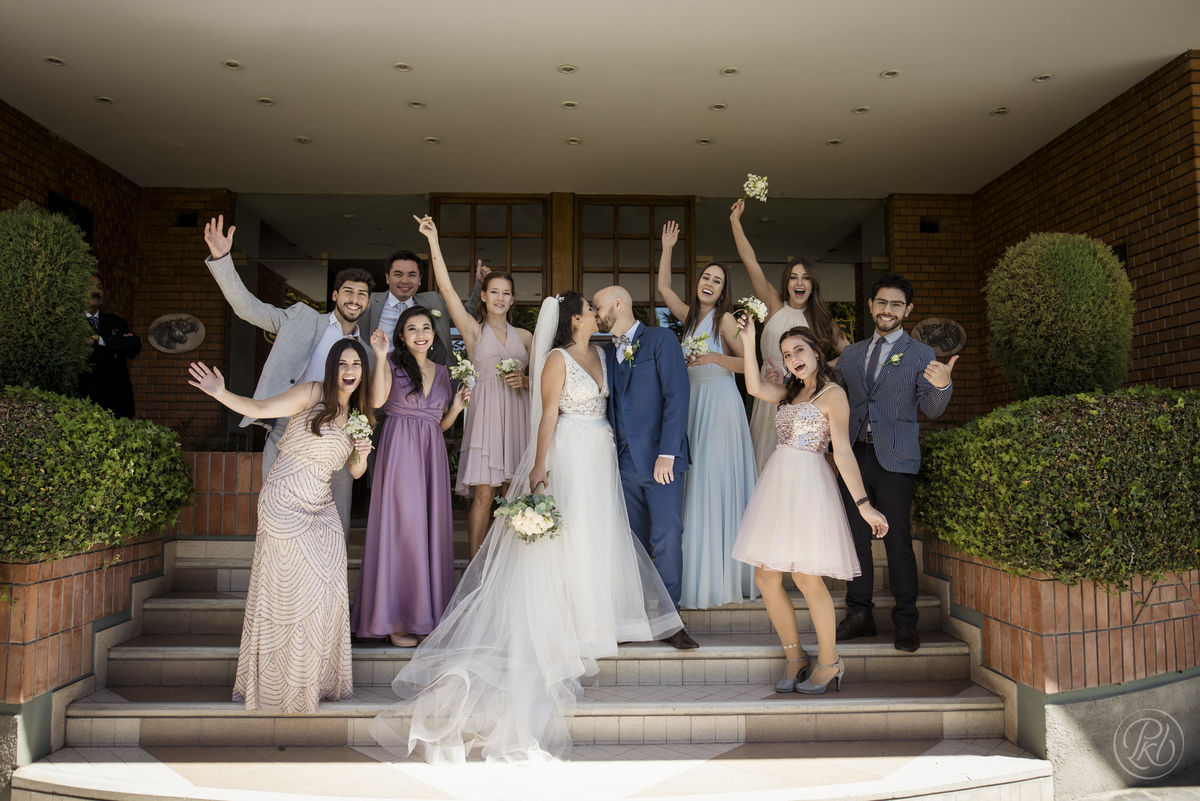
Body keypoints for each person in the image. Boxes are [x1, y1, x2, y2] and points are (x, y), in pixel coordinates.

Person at [370, 292, 681, 763]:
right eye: (592, 311)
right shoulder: (556, 358)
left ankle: (594, 616)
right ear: (575, 317)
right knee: (569, 536)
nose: (599, 315)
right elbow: (548, 413)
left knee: (598, 537)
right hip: (569, 453)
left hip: (600, 454)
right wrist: (539, 466)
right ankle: (566, 619)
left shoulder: (599, 353)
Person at [186, 335, 389, 712]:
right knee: (291, 593)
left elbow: (357, 473)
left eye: (356, 365)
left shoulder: (361, 416)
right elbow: (262, 407)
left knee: (327, 589)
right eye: (343, 364)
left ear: (364, 372)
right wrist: (220, 393)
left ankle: (314, 681)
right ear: (332, 368)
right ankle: (282, 684)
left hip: (322, 507)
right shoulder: (313, 394)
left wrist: (361, 453)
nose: (349, 371)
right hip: (285, 499)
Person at [731, 322, 889, 694]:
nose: (793, 358)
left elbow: (844, 452)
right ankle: (795, 655)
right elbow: (753, 387)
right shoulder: (789, 392)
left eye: (799, 350)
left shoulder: (833, 395)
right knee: (766, 577)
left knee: (805, 577)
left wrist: (863, 504)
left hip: (809, 486)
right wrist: (750, 341)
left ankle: (830, 662)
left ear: (817, 352)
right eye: (787, 354)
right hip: (778, 486)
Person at [203, 216, 373, 536]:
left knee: (335, 524)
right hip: (288, 425)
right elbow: (248, 309)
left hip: (339, 434)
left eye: (362, 294)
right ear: (335, 295)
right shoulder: (302, 319)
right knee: (277, 518)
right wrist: (223, 260)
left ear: (367, 302)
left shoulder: (366, 350)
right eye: (348, 291)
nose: (354, 298)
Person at [834, 273, 958, 653]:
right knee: (855, 541)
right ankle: (860, 615)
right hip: (854, 455)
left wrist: (943, 385)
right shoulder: (851, 355)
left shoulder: (922, 355)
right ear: (871, 306)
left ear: (908, 310)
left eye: (896, 304)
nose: (888, 310)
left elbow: (932, 410)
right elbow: (830, 395)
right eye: (882, 303)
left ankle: (906, 621)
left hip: (896, 459)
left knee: (898, 542)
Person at [351, 305, 470, 647]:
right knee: (402, 527)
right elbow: (376, 400)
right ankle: (394, 619)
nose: (421, 334)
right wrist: (377, 355)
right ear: (402, 335)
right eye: (412, 328)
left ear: (433, 335)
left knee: (428, 529)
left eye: (426, 328)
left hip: (430, 453)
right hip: (400, 448)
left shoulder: (445, 372)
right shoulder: (390, 362)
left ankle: (424, 616)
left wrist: (458, 408)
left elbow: (439, 423)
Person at [415, 216, 533, 558]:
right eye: (493, 291)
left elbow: (546, 381)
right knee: (484, 494)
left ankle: (510, 566)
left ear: (513, 300)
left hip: (517, 416)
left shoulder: (526, 337)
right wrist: (433, 240)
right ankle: (476, 568)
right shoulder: (473, 331)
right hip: (485, 419)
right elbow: (447, 289)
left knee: (513, 493)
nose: (500, 297)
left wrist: (525, 380)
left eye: (506, 293)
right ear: (483, 296)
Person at [655, 222, 758, 609]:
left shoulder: (725, 320)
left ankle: (722, 575)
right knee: (693, 485)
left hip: (720, 405)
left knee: (714, 481)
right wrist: (668, 248)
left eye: (716, 280)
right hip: (691, 405)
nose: (709, 283)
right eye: (705, 277)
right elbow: (665, 289)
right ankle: (695, 570)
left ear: (723, 289)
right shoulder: (687, 317)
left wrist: (715, 357)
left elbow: (749, 364)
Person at [592, 286, 697, 650]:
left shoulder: (660, 339)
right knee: (630, 543)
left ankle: (672, 621)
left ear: (618, 304)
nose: (595, 313)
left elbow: (677, 395)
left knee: (667, 535)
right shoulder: (604, 352)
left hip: (660, 460)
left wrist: (668, 452)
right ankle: (634, 618)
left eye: (598, 306)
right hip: (621, 462)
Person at [730, 199, 851, 473]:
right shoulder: (774, 303)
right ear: (787, 283)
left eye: (806, 278)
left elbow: (850, 353)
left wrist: (817, 371)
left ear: (813, 285)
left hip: (801, 396)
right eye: (794, 277)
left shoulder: (822, 319)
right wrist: (736, 222)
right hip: (766, 390)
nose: (799, 282)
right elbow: (750, 261)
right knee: (762, 461)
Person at [360, 248, 482, 367]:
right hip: (379, 375)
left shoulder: (433, 301)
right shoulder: (368, 301)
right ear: (387, 277)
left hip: (426, 377)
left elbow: (464, 316)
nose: (405, 280)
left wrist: (481, 284)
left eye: (412, 275)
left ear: (419, 280)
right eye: (398, 274)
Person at [79, 274, 141, 419]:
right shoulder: (72, 323)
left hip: (118, 400)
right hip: (86, 398)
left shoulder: (116, 322)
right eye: (90, 287)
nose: (96, 291)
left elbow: (134, 346)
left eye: (100, 288)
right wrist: (115, 344)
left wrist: (97, 340)